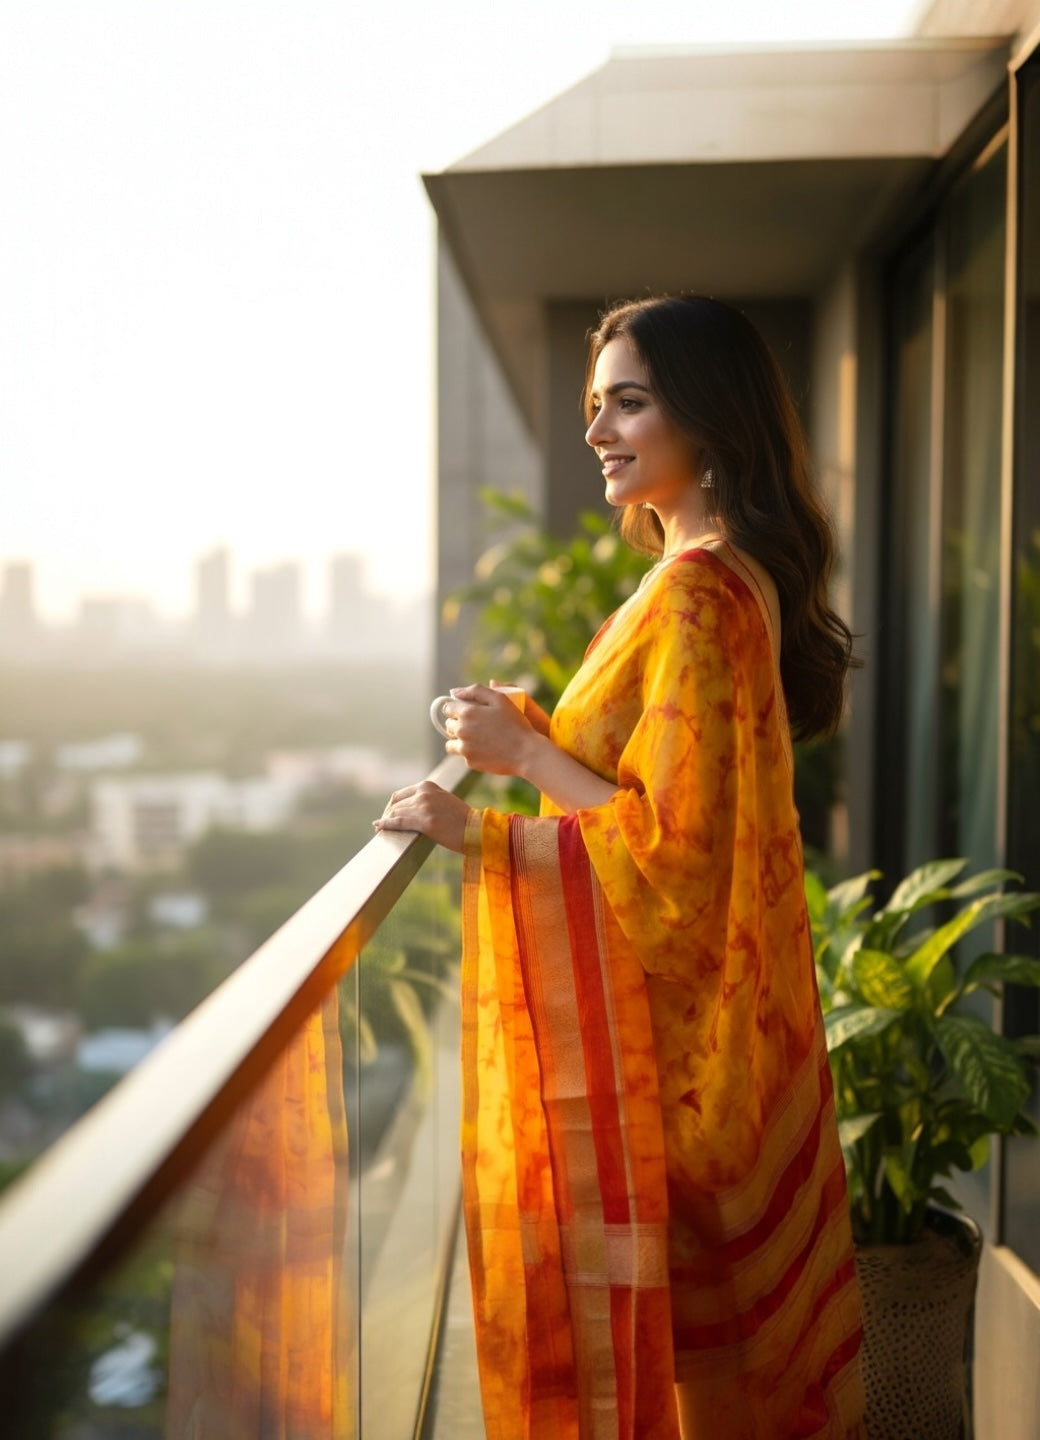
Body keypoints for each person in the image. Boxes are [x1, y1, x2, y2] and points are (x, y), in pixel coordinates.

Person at [374, 295, 866, 1440]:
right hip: (708, 1049)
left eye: (628, 404)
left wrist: (497, 802)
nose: (596, 431)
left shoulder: (695, 593)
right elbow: (661, 786)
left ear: (708, 414)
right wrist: (540, 735)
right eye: (594, 405)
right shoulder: (721, 574)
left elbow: (675, 852)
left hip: (675, 1075)